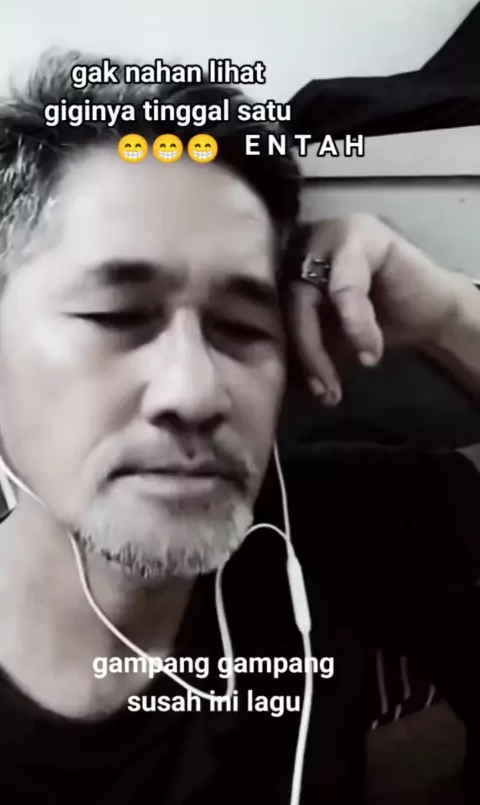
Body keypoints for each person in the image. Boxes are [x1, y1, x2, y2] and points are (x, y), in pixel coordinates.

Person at [0, 50, 480, 805]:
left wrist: (451, 315)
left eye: (243, 326)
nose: (195, 392)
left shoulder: (346, 530)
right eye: (115, 315)